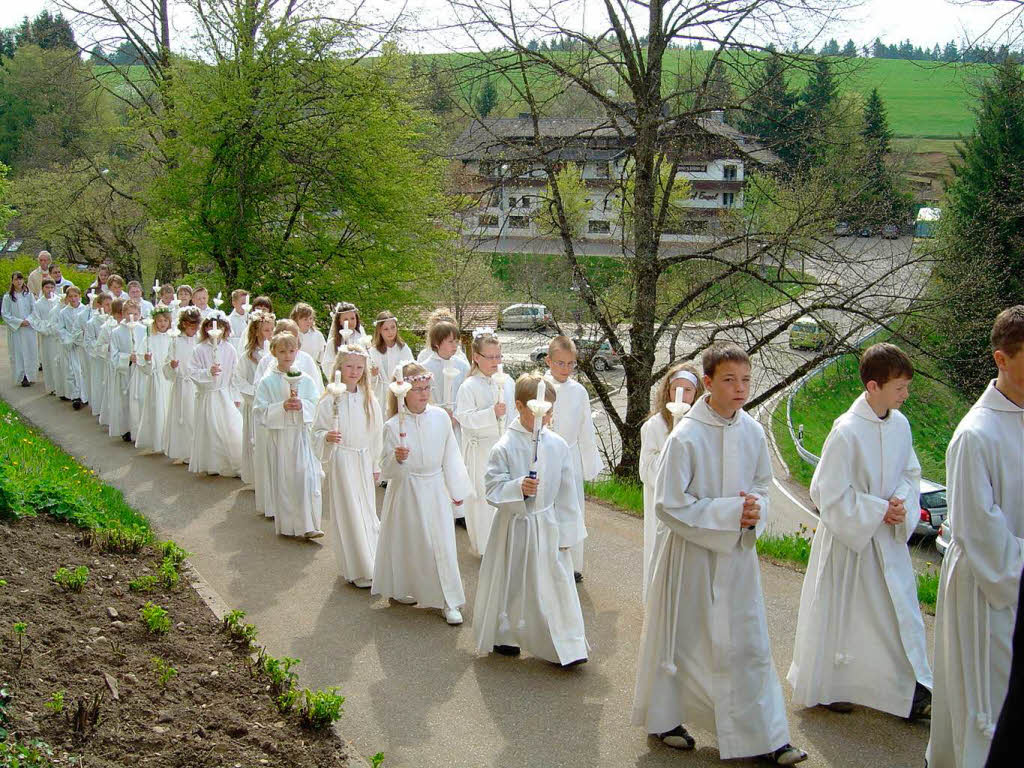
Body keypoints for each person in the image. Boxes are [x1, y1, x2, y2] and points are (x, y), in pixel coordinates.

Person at [632, 343, 807, 766]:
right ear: (708, 384)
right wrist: (732, 511)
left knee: (749, 645)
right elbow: (669, 504)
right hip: (691, 556)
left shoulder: (752, 432)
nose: (740, 388)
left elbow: (763, 486)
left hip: (737, 558)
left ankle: (767, 735)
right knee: (685, 641)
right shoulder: (687, 436)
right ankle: (667, 717)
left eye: (746, 380)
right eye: (729, 380)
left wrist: (755, 512)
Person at [787, 343, 932, 721]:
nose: (906, 394)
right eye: (899, 387)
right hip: (852, 545)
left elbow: (910, 473)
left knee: (899, 615)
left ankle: (912, 689)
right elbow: (827, 493)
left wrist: (900, 501)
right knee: (847, 618)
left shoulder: (900, 425)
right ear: (873, 386)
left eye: (906, 386)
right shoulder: (846, 431)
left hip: (887, 540)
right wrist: (876, 509)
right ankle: (831, 685)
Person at [928, 306, 1024, 768]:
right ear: (1001, 359)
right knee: (987, 698)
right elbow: (979, 529)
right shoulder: (976, 434)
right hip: (991, 588)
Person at [473, 373, 588, 666]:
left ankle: (564, 645)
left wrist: (567, 535)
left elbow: (566, 493)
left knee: (555, 583)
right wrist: (518, 487)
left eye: (550, 410)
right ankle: (506, 635)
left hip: (547, 523)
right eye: (539, 410)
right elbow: (492, 488)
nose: (546, 416)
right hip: (516, 526)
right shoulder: (505, 446)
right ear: (520, 406)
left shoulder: (558, 445)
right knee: (514, 580)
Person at [372, 361, 471, 625]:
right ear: (403, 393)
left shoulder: (440, 418)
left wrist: (457, 490)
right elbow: (386, 469)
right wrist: (398, 459)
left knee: (440, 544)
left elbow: (451, 454)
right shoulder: (393, 426)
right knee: (412, 541)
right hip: (407, 491)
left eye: (427, 388)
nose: (424, 394)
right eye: (418, 390)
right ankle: (406, 586)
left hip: (435, 487)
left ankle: (448, 599)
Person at [313, 344, 382, 588]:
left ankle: (373, 560)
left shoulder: (368, 399)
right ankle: (357, 567)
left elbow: (376, 434)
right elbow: (317, 431)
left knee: (366, 510)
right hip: (342, 460)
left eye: (359, 367)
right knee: (349, 511)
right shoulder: (331, 398)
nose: (354, 372)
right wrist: (326, 437)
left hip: (363, 459)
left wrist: (375, 463)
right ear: (339, 367)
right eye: (349, 366)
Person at [639, 363, 702, 603]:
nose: (682, 395)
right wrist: (670, 460)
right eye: (677, 389)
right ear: (667, 392)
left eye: (688, 390)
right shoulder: (654, 427)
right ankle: (657, 602)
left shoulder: (700, 426)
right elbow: (646, 469)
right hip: (662, 504)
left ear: (696, 394)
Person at [252, 332, 323, 538]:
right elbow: (259, 411)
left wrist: (304, 407)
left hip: (301, 436)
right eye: (282, 351)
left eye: (291, 351)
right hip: (281, 438)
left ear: (297, 351)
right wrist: (281, 407)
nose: (287, 355)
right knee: (285, 481)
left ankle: (309, 525)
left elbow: (316, 404)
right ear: (274, 352)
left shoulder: (306, 379)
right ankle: (289, 526)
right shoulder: (268, 382)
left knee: (307, 478)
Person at [544, 336, 603, 582]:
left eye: (570, 364)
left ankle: (573, 563)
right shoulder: (540, 387)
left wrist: (589, 463)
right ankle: (547, 557)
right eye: (560, 363)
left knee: (572, 506)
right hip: (547, 455)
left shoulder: (578, 391)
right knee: (548, 506)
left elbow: (585, 427)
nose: (565, 369)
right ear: (548, 361)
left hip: (570, 455)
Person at [455, 329, 515, 556]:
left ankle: (505, 542)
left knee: (506, 493)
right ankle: (485, 544)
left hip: (505, 445)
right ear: (476, 358)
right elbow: (465, 417)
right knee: (483, 496)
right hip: (482, 449)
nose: (494, 361)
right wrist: (491, 413)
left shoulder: (508, 381)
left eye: (498, 356)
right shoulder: (469, 386)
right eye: (489, 357)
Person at [188, 315, 243, 477]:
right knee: (211, 429)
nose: (216, 331)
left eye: (220, 327)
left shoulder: (229, 349)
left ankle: (233, 462)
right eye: (212, 327)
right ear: (205, 329)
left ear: (225, 329)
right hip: (207, 396)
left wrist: (236, 396)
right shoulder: (199, 349)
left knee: (229, 426)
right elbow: (192, 372)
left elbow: (235, 374)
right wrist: (207, 373)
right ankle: (213, 464)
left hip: (224, 394)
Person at [233, 310, 273, 488]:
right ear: (256, 332)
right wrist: (253, 393)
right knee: (254, 440)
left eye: (272, 330)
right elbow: (239, 379)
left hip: (271, 406)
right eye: (266, 330)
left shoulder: (274, 355)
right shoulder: (247, 357)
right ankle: (256, 479)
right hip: (254, 404)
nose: (270, 334)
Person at [421, 319, 470, 446]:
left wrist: (457, 415)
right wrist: (439, 413)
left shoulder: (462, 366)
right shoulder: (424, 368)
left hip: (457, 421)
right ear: (437, 343)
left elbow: (467, 395)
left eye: (456, 342)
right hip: (432, 419)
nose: (455, 346)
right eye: (450, 342)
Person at [162, 306, 200, 464]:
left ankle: (196, 451)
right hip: (181, 384)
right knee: (183, 418)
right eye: (191, 326)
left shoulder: (199, 341)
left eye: (196, 326)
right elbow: (166, 366)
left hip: (196, 384)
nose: (194, 329)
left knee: (195, 417)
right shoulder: (176, 341)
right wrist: (172, 365)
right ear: (184, 324)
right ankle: (184, 451)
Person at [135, 307, 173, 453]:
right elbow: (141, 357)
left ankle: (169, 440)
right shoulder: (150, 338)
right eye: (159, 321)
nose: (162, 324)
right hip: (157, 377)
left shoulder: (172, 337)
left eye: (165, 320)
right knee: (157, 407)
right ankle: (158, 440)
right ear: (154, 322)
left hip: (169, 378)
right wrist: (147, 360)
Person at [255, 319, 324, 397]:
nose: (291, 341)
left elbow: (315, 388)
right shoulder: (266, 361)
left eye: (295, 337)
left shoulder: (306, 359)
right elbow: (259, 389)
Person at [107, 299, 145, 442]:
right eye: (129, 314)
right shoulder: (117, 332)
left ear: (140, 314)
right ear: (123, 314)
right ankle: (127, 428)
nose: (132, 317)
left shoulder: (143, 329)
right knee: (125, 400)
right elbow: (114, 355)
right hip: (126, 371)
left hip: (140, 371)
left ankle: (140, 428)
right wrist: (128, 358)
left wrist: (142, 358)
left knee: (140, 398)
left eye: (135, 314)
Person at [368, 310, 414, 410]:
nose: (390, 332)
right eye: (386, 329)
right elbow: (369, 380)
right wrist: (373, 375)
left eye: (393, 327)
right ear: (379, 330)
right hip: (381, 395)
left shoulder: (403, 348)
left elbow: (412, 371)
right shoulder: (374, 351)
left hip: (401, 393)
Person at [56, 286, 90, 410]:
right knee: (73, 370)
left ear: (80, 296)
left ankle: (85, 395)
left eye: (75, 296)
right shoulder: (63, 312)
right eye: (70, 296)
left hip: (82, 345)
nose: (73, 298)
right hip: (71, 346)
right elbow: (60, 329)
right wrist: (71, 339)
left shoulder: (86, 310)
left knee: (83, 370)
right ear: (67, 298)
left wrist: (81, 338)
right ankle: (76, 396)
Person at [3, 272, 39, 387]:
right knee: (18, 352)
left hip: (28, 329)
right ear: (12, 281)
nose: (18, 282)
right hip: (16, 330)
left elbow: (34, 310)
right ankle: (22, 375)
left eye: (20, 279)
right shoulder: (8, 297)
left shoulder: (29, 295)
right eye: (16, 279)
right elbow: (5, 314)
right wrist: (18, 322)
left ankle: (30, 375)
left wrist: (28, 320)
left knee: (30, 351)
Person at [29, 278, 62, 395]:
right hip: (47, 338)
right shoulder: (38, 304)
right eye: (47, 287)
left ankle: (61, 386)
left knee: (59, 362)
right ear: (42, 289)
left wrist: (56, 327)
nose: (49, 290)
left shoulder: (59, 301)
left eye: (52, 287)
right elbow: (36, 320)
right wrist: (46, 329)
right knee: (48, 361)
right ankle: (51, 386)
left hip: (58, 337)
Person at [321, 301, 366, 379]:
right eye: (346, 319)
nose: (350, 322)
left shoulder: (362, 339)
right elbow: (327, 364)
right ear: (340, 321)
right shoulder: (333, 342)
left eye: (352, 318)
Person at [96, 299, 122, 428]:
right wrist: (110, 348)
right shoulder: (107, 327)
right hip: (113, 365)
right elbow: (99, 346)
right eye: (119, 314)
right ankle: (114, 419)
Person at [87, 293, 112, 418]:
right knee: (99, 382)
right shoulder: (92, 322)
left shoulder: (112, 321)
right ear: (99, 305)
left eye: (111, 304)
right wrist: (103, 348)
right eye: (107, 305)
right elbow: (89, 341)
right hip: (99, 358)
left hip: (110, 358)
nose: (109, 307)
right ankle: (99, 409)